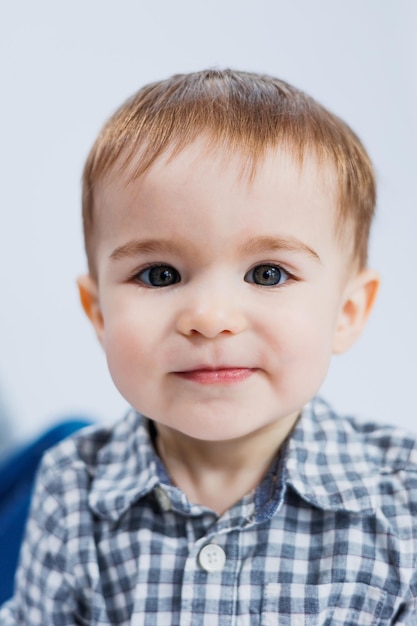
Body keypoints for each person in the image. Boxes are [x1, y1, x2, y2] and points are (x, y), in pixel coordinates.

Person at [1, 69, 416, 625]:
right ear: (98, 312)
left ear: (347, 313)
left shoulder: (402, 497)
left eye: (268, 273)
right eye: (158, 275)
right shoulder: (71, 484)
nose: (211, 318)